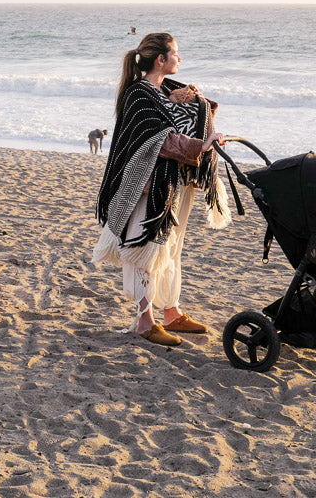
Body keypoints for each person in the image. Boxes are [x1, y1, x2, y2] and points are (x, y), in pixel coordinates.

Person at [92, 32, 232, 347]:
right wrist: (202, 143)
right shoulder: (139, 94)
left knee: (170, 247)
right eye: (176, 53)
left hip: (173, 182)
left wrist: (193, 102)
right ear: (161, 59)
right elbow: (162, 139)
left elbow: (179, 119)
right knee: (146, 248)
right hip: (146, 184)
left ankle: (171, 312)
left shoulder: (164, 91)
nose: (180, 59)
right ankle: (144, 321)